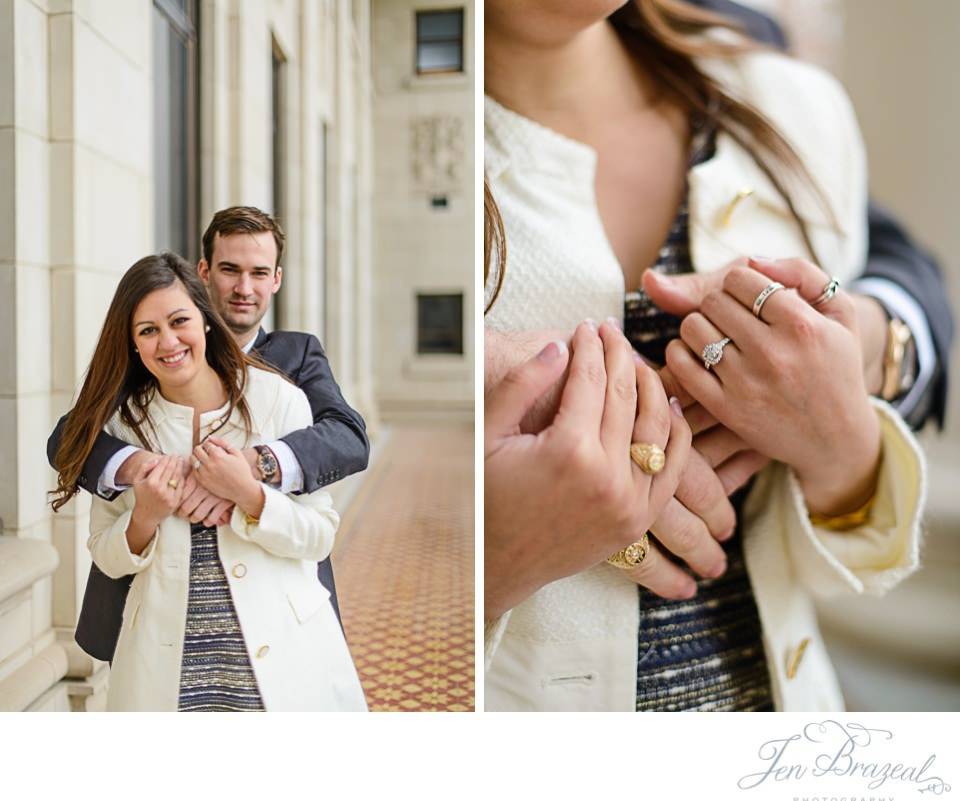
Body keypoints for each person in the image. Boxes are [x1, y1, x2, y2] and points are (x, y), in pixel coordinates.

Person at [484, 0, 925, 711]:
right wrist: (481, 566)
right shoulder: (349, 163)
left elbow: (820, 568)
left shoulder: (793, 111)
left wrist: (844, 448)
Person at [47, 206, 368, 663]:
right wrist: (145, 468)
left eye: (259, 273)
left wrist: (251, 469)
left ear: (276, 279)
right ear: (203, 274)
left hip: (275, 603)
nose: (244, 288)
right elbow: (67, 438)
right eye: (229, 270)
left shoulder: (295, 358)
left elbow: (348, 437)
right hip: (159, 617)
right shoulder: (153, 358)